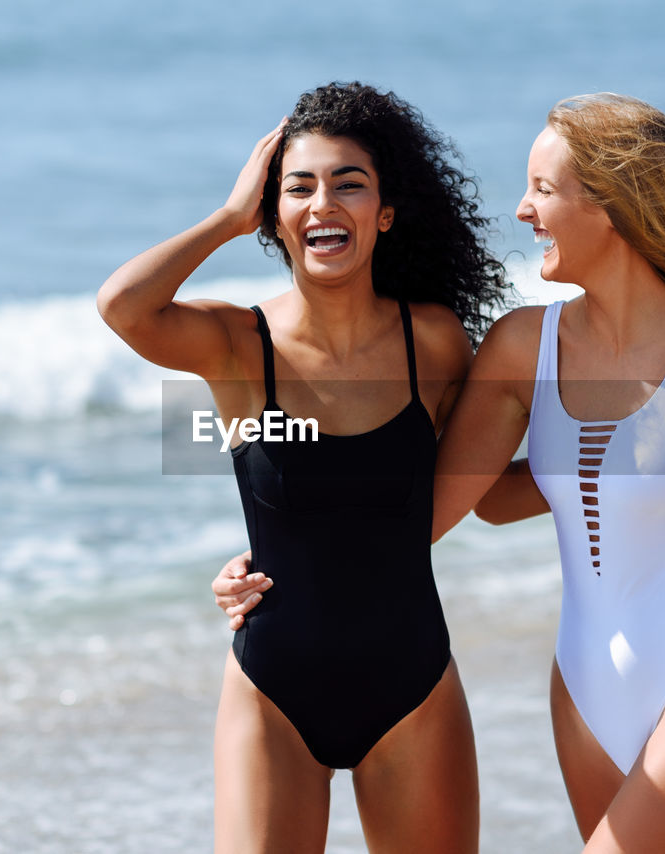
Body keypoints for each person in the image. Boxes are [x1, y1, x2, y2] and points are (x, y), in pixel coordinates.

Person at [213, 93, 665, 851]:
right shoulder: (523, 348)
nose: (523, 211)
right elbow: (457, 504)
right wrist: (281, 559)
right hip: (583, 687)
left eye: (542, 189)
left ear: (612, 203)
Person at [98, 82, 508, 854]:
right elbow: (124, 307)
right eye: (299, 186)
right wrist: (225, 218)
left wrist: (648, 460)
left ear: (384, 212)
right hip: (272, 693)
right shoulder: (237, 346)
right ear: (274, 216)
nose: (325, 202)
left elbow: (478, 484)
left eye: (349, 184)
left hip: (413, 685)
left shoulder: (437, 343)